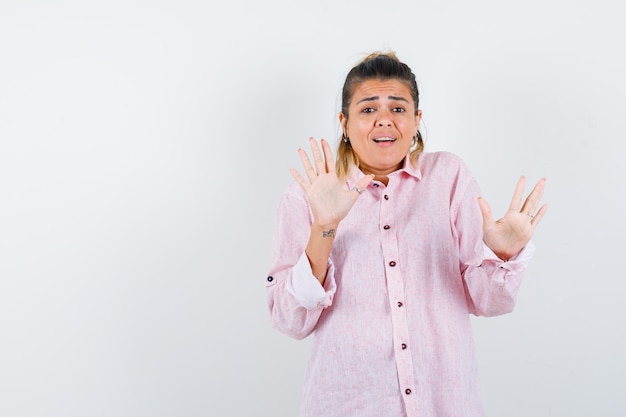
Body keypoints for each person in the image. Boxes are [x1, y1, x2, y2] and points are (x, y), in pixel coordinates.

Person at [265, 51, 547, 417]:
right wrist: (325, 226)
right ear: (345, 123)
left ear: (416, 120)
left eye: (398, 109)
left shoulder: (448, 177)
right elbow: (290, 321)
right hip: (349, 402)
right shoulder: (309, 194)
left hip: (443, 401)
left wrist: (504, 257)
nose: (385, 120)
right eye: (368, 110)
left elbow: (488, 301)